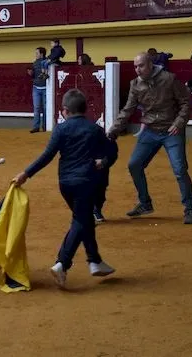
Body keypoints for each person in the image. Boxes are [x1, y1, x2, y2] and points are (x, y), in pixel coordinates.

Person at [12, 89, 117, 288]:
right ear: (85, 109)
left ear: (65, 111)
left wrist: (26, 174)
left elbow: (47, 155)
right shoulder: (94, 129)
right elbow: (112, 153)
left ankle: (95, 260)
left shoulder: (61, 129)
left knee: (83, 219)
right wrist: (102, 163)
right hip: (86, 182)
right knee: (81, 220)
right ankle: (63, 263)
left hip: (65, 184)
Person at [107, 52, 192, 224]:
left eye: (140, 66)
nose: (137, 70)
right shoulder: (135, 84)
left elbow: (185, 102)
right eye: (135, 66)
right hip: (150, 130)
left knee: (179, 170)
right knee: (134, 165)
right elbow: (127, 110)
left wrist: (178, 123)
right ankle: (145, 203)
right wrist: (113, 131)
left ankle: (190, 208)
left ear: (150, 65)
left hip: (172, 131)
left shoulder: (169, 79)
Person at [93, 137, 119, 223]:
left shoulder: (107, 135)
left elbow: (113, 153)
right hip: (81, 165)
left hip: (101, 167)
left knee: (100, 189)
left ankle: (96, 209)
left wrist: (104, 161)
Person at [28, 47, 48, 133]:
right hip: (36, 87)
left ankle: (45, 127)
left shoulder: (47, 62)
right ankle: (36, 127)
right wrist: (31, 74)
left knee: (45, 108)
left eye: (37, 53)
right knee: (36, 108)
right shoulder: (35, 63)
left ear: (41, 54)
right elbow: (34, 75)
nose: (35, 55)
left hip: (46, 88)